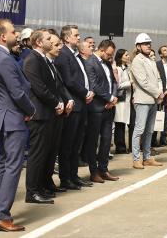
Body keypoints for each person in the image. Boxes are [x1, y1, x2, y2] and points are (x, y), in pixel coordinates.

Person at [0, 19, 35, 232]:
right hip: (13, 117)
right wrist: (31, 110)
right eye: (14, 32)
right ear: (4, 36)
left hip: (4, 116)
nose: (17, 34)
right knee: (12, 166)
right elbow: (17, 92)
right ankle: (1, 214)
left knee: (4, 164)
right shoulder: (4, 59)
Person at [23, 28, 64, 204]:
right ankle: (32, 192)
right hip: (39, 114)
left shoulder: (42, 60)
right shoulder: (32, 59)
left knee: (44, 154)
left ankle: (39, 187)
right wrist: (56, 102)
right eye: (48, 38)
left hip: (47, 113)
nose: (51, 41)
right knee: (36, 155)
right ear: (39, 42)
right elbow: (39, 88)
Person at [55, 25, 94, 190]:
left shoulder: (75, 55)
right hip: (74, 104)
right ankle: (66, 178)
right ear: (66, 38)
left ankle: (73, 175)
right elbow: (69, 81)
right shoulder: (64, 55)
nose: (79, 38)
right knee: (68, 144)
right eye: (76, 35)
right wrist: (85, 92)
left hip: (81, 103)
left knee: (76, 143)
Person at [44, 32, 74, 194]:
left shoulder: (53, 64)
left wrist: (68, 100)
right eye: (55, 44)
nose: (58, 47)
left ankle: (48, 182)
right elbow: (42, 89)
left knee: (52, 150)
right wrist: (57, 103)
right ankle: (39, 186)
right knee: (44, 152)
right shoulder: (38, 62)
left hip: (59, 111)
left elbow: (61, 86)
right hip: (49, 112)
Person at [85, 40, 119, 183]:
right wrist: (109, 98)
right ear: (102, 50)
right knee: (93, 142)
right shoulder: (90, 62)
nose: (111, 57)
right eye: (109, 54)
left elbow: (114, 82)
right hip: (96, 108)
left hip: (109, 107)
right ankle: (94, 172)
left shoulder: (107, 63)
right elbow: (94, 85)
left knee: (106, 141)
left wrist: (114, 98)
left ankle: (103, 169)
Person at [130, 33, 164, 169]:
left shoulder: (150, 60)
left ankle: (147, 157)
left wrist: (160, 92)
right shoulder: (137, 61)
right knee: (139, 129)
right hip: (143, 100)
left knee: (149, 130)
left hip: (153, 100)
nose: (148, 45)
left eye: (149, 43)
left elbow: (158, 78)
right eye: (145, 44)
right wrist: (158, 93)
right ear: (138, 47)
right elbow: (143, 82)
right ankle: (136, 158)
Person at [152, 45, 167, 147]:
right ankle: (153, 139)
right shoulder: (157, 65)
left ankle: (163, 138)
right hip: (160, 93)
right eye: (164, 50)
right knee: (157, 115)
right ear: (160, 54)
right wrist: (160, 92)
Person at [113, 49, 132, 154]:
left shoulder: (127, 68)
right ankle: (120, 147)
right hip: (121, 100)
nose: (128, 56)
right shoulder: (118, 69)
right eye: (126, 55)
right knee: (120, 124)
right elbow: (118, 84)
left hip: (127, 100)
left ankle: (125, 146)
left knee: (125, 123)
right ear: (120, 57)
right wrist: (130, 82)